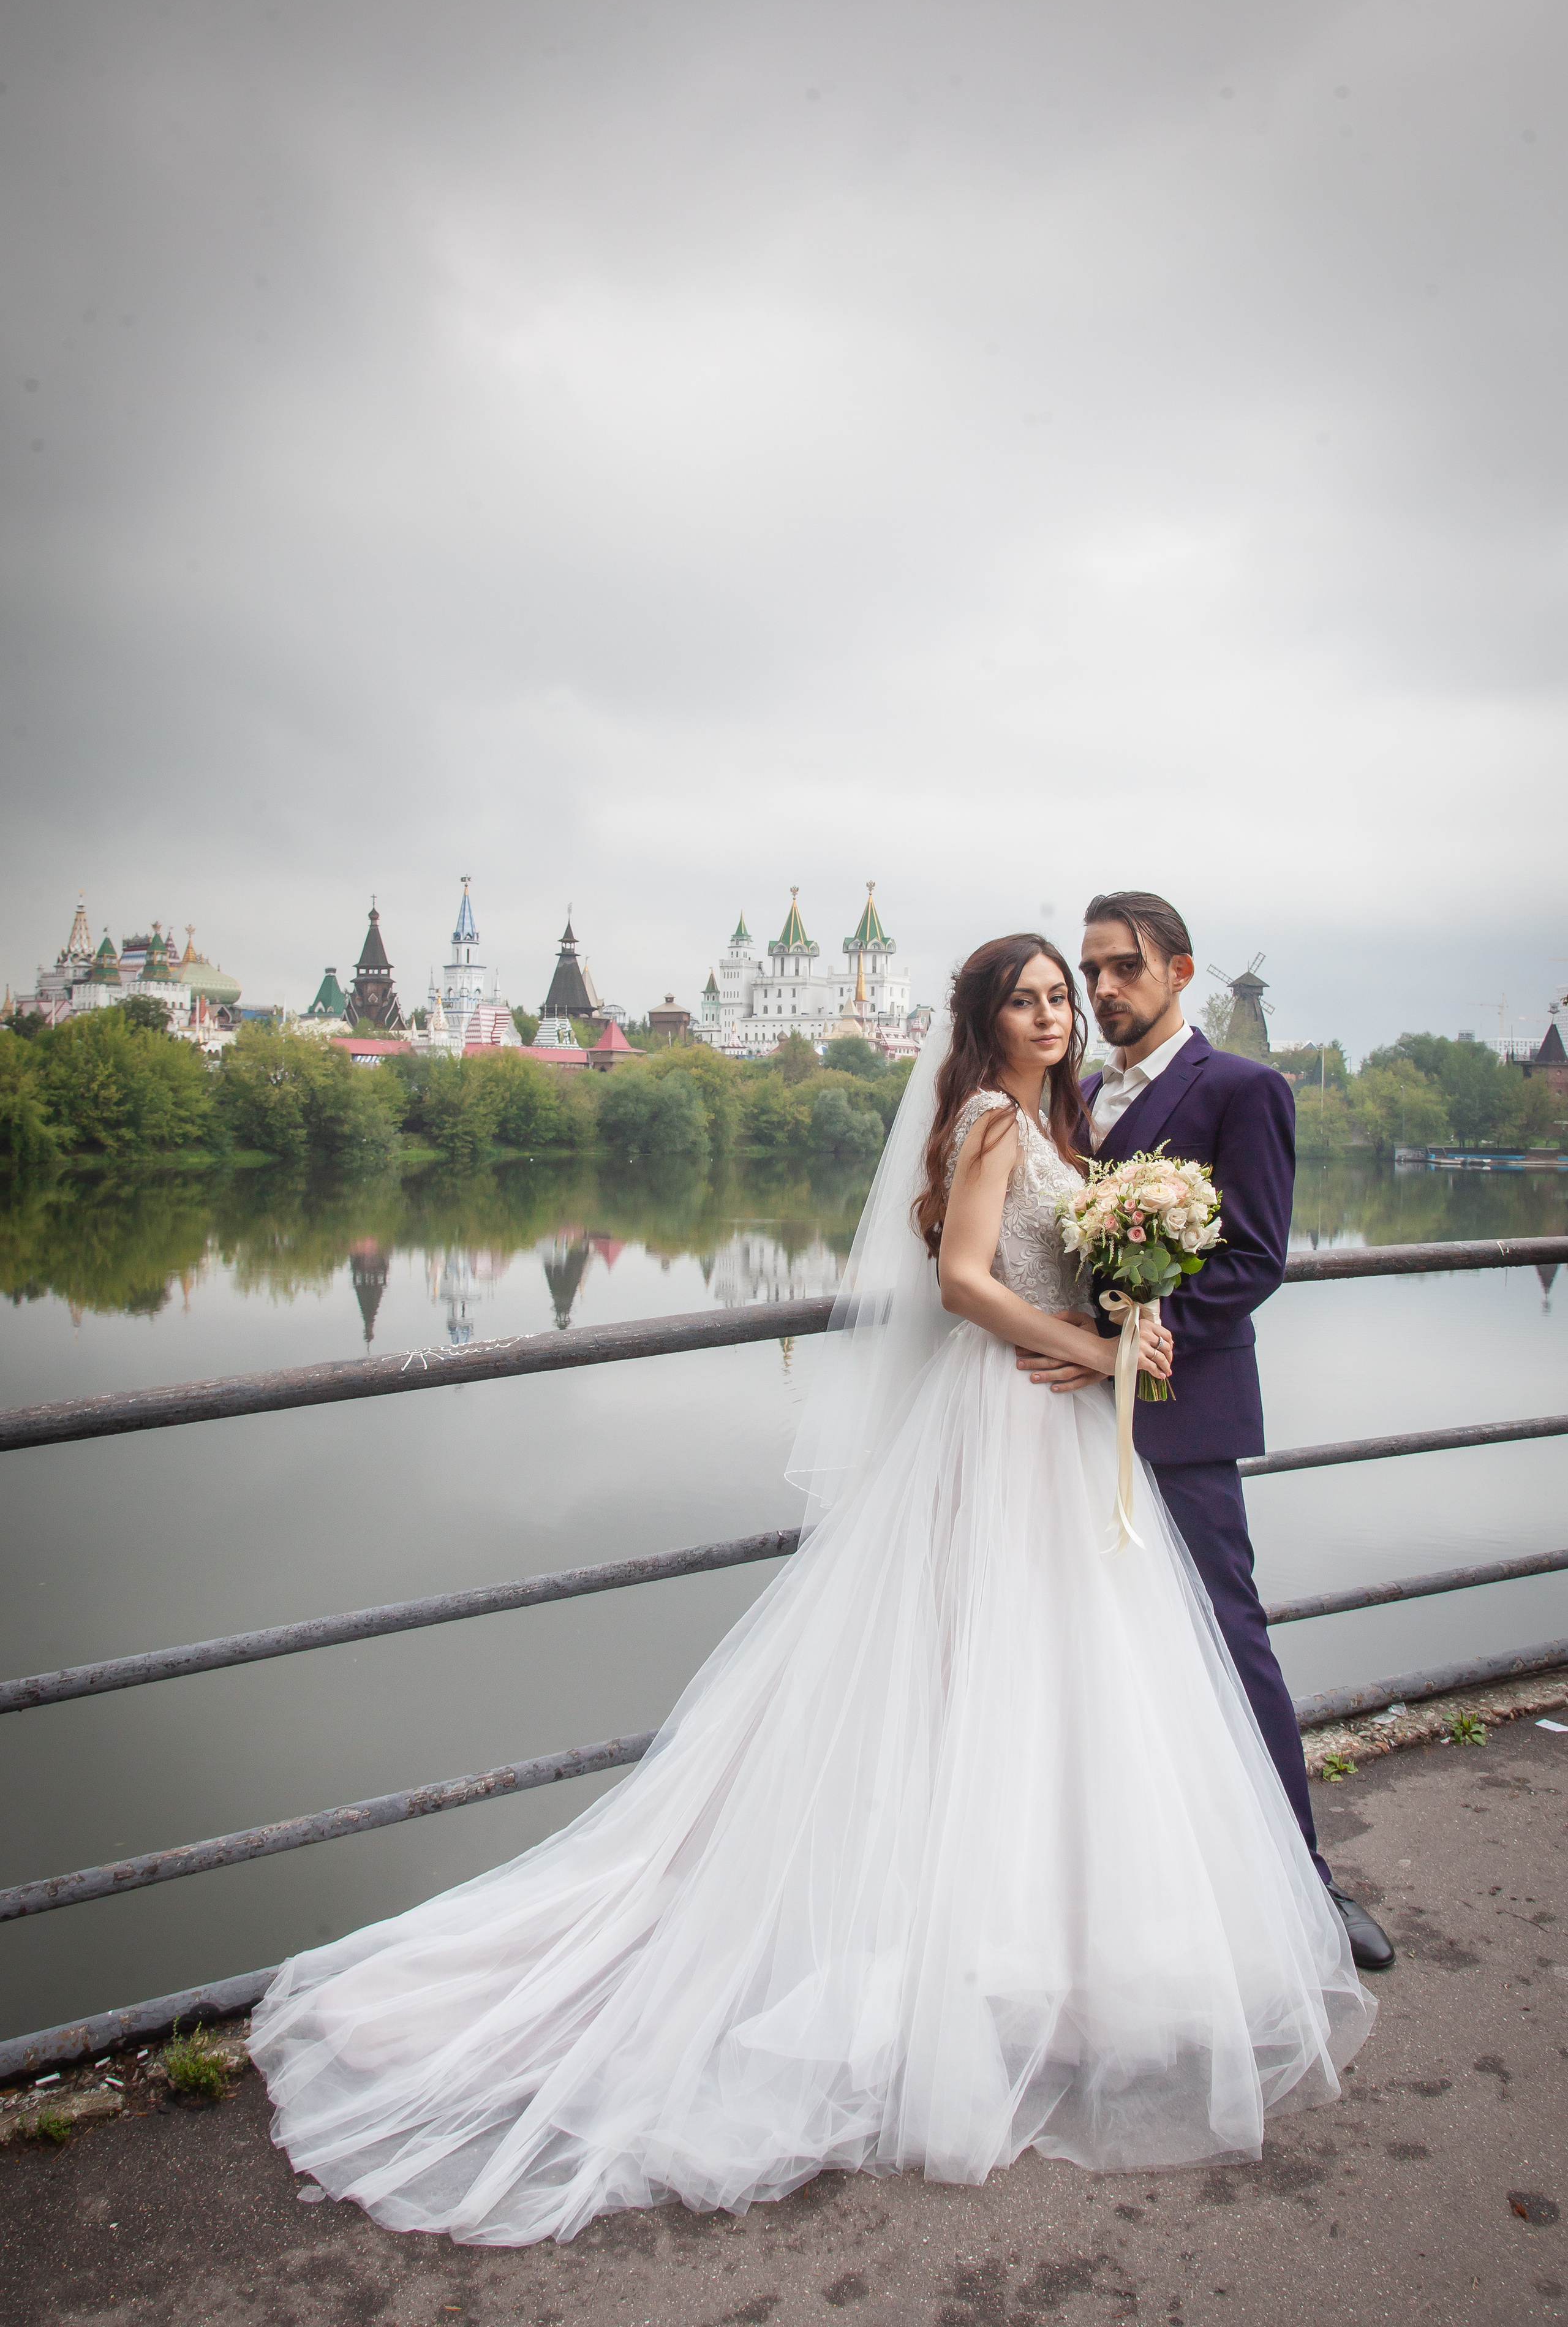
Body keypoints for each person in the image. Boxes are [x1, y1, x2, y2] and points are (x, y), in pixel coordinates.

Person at [251, 933, 1375, 2247]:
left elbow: (1106, 1260)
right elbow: (962, 1283)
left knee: (1044, 1672)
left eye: (1061, 997)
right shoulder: (992, 1121)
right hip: (1006, 1416)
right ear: (983, 1019)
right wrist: (1089, 1339)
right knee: (994, 1657)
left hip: (1054, 1423)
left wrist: (1119, 1324)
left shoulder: (1052, 1119)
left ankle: (1044, 1939)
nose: (1054, 1014)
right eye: (1028, 998)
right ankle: (978, 1944)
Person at [1014, 890, 1393, 1972]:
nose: (1101, 990)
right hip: (1059, 1410)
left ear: (1181, 971)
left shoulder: (1243, 1088)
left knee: (1228, 1633)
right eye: (1090, 971)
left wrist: (1131, 1334)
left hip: (1183, 1406)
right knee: (1078, 1641)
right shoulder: (1079, 1094)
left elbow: (1255, 1256)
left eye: (1122, 967)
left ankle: (1305, 1883)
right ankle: (1116, 1881)